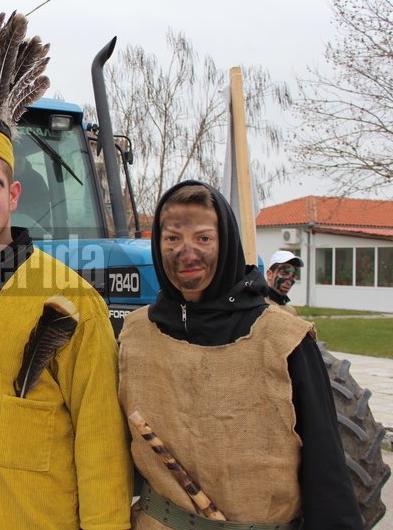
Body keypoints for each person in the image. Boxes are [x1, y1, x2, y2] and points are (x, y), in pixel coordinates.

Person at [118, 181, 362, 530]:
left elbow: (326, 469)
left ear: (227, 242)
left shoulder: (281, 338)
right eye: (172, 239)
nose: (186, 253)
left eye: (203, 238)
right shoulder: (136, 333)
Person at [265, 250, 304, 315]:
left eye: (293, 276)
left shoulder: (291, 312)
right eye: (284, 273)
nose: (289, 281)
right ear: (269, 274)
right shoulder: (259, 305)